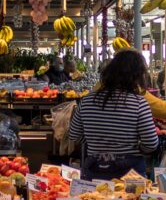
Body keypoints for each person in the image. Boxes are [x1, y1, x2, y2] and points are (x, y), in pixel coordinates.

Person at [68, 50, 159, 180]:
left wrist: (94, 143)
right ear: (136, 76)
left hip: (95, 171)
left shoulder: (87, 101)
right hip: (130, 176)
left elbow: (74, 135)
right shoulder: (139, 103)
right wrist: (136, 147)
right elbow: (151, 144)